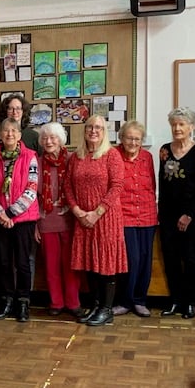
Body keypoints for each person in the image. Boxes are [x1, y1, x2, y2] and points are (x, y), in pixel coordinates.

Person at [64, 114, 127, 326]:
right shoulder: (75, 157)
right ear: (84, 130)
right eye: (90, 127)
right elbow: (67, 187)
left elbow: (117, 186)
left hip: (106, 219)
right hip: (82, 219)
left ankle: (106, 309)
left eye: (98, 127)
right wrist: (77, 211)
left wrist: (96, 213)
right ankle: (96, 305)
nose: (93, 131)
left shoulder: (112, 155)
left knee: (105, 264)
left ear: (104, 132)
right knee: (90, 262)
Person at [0, 118, 39, 322]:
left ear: (19, 135)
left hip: (23, 219)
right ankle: (7, 299)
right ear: (0, 135)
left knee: (23, 262)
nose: (9, 134)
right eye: (5, 131)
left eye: (13, 131)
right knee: (4, 261)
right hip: (0, 219)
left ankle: (23, 301)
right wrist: (0, 213)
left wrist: (11, 213)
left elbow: (32, 189)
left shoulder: (30, 157)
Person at [158, 107, 195, 319]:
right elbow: (162, 182)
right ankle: (175, 300)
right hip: (168, 214)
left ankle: (191, 302)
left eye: (181, 124)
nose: (177, 128)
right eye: (174, 124)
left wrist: (188, 214)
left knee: (190, 258)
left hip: (193, 213)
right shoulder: (165, 150)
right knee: (170, 258)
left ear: (192, 127)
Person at [34, 122, 83, 318]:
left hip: (70, 218)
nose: (48, 141)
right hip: (45, 218)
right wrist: (35, 224)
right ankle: (56, 302)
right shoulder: (36, 162)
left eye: (53, 137)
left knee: (70, 264)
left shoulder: (72, 159)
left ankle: (73, 303)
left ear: (61, 139)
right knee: (51, 264)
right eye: (45, 138)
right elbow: (32, 194)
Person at [112, 120, 157, 318]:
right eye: (129, 138)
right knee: (131, 259)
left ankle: (140, 301)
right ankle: (125, 301)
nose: (133, 142)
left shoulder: (147, 157)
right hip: (124, 216)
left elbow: (152, 185)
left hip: (147, 215)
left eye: (137, 139)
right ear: (121, 138)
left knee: (146, 260)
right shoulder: (113, 155)